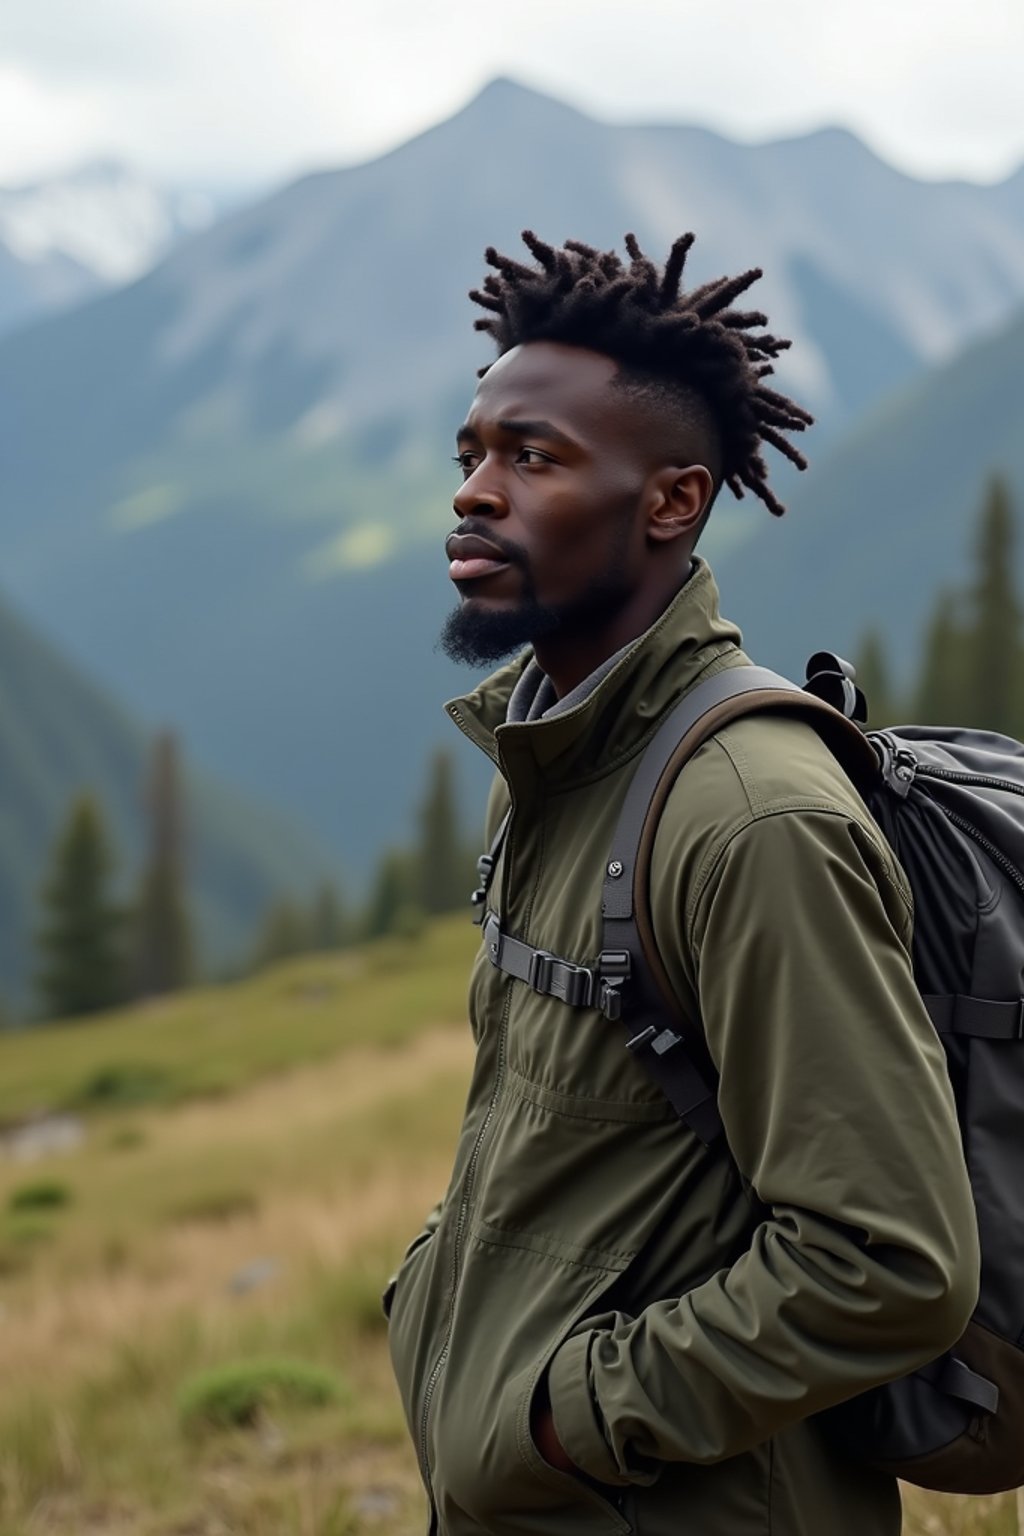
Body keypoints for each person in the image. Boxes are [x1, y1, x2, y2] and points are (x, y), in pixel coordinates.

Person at [385, 230, 979, 1536]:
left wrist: (560, 1420)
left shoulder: (750, 816)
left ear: (671, 501)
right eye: (471, 455)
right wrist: (432, 1297)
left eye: (532, 458)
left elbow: (890, 1262)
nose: (475, 495)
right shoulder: (560, 754)